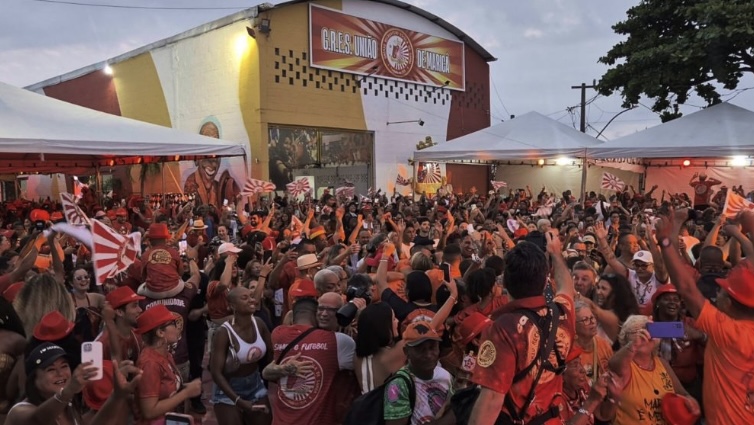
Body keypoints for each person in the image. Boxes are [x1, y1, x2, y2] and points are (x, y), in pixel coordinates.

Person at [656, 208, 754, 424]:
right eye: (667, 299)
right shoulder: (660, 323)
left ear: (730, 302)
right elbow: (649, 330)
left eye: (722, 292)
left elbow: (685, 288)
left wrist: (664, 240)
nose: (716, 296)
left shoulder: (725, 330)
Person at [470, 234, 578, 425]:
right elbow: (566, 286)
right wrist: (555, 253)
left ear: (504, 283)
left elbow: (492, 399)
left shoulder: (503, 328)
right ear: (545, 283)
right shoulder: (561, 313)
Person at [263, 297, 355, 425]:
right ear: (315, 314)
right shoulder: (337, 341)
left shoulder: (278, 334)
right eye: (321, 310)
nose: (323, 314)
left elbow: (267, 372)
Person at [6, 342, 140, 425]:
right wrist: (69, 390)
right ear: (33, 379)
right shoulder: (19, 412)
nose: (60, 373)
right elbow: (38, 420)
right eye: (51, 369)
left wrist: (116, 396)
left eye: (64, 366)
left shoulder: (67, 405)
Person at [608, 315, 700, 424]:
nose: (645, 335)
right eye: (637, 331)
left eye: (648, 329)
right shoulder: (624, 364)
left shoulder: (662, 363)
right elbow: (612, 364)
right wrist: (634, 345)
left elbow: (683, 393)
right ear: (626, 338)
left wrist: (691, 402)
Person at [210, 286, 272, 425]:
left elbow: (272, 353)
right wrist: (238, 400)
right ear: (232, 306)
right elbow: (215, 373)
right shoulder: (223, 332)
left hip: (255, 384)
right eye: (245, 298)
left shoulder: (259, 323)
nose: (251, 300)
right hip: (228, 388)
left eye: (251, 296)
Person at [135, 305, 202, 424]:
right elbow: (149, 411)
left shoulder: (166, 354)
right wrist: (186, 393)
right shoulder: (150, 364)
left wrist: (186, 388)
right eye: (173, 324)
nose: (178, 327)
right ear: (160, 332)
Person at [382, 321, 455, 425]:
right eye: (421, 350)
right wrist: (453, 415)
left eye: (432, 347)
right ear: (406, 352)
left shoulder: (445, 376)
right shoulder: (398, 385)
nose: (428, 355)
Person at [573, 301, 613, 383]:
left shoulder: (604, 345)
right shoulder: (569, 350)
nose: (592, 322)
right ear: (574, 325)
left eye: (592, 317)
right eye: (585, 320)